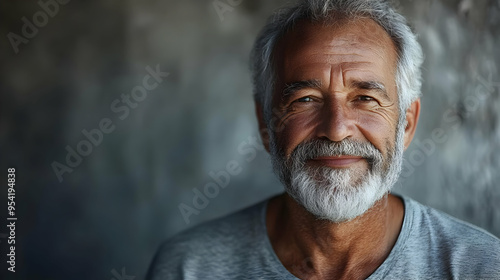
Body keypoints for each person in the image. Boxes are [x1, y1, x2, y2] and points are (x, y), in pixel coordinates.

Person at [146, 0, 500, 279]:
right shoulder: (190, 268)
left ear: (405, 125)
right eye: (305, 100)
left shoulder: (480, 268)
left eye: (365, 98)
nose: (336, 128)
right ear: (266, 123)